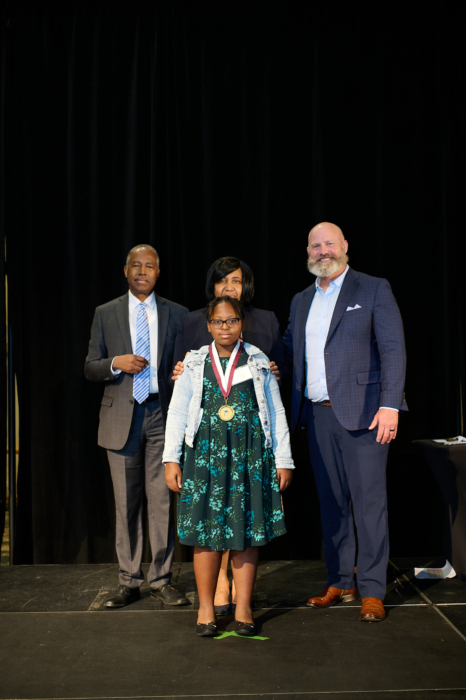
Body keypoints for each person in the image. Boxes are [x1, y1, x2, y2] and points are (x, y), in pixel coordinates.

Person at [283, 222, 407, 623]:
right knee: (332, 503)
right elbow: (289, 350)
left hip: (366, 415)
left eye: (329, 244)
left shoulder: (372, 288)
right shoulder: (301, 299)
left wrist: (390, 405)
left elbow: (393, 349)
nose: (323, 251)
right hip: (318, 415)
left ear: (345, 246)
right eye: (315, 246)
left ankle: (372, 590)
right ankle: (340, 581)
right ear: (307, 251)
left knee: (369, 506)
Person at [163, 296, 294, 636]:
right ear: (208, 325)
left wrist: (283, 460)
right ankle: (206, 608)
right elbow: (177, 412)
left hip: (249, 458)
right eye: (218, 321)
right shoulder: (193, 362)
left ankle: (244, 606)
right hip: (203, 457)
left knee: (246, 533)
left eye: (232, 320)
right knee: (204, 535)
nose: (225, 327)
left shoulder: (258, 360)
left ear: (241, 323)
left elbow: (276, 411)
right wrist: (171, 458)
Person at [85, 244, 189, 608]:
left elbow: (189, 361)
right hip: (121, 418)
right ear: (126, 271)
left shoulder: (178, 313)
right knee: (126, 505)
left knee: (162, 502)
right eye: (136, 266)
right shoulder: (106, 312)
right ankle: (128, 581)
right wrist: (117, 362)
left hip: (163, 414)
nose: (142, 271)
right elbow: (90, 366)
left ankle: (161, 580)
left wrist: (182, 371)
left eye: (149, 266)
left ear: (158, 273)